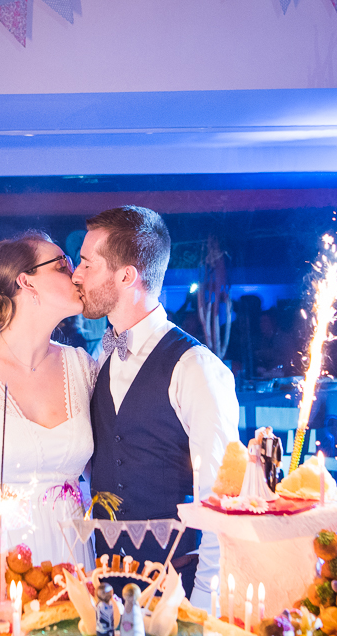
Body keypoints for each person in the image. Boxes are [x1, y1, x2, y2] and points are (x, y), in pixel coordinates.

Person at [72, 206, 240, 604]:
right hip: (107, 591)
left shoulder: (196, 368)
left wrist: (204, 602)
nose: (76, 275)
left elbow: (221, 500)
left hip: (177, 593)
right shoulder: (101, 355)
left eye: (86, 264)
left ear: (127, 275)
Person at [0, 231, 96, 567]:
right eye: (62, 264)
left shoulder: (83, 367)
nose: (76, 273)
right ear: (27, 282)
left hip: (72, 557)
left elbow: (106, 473)